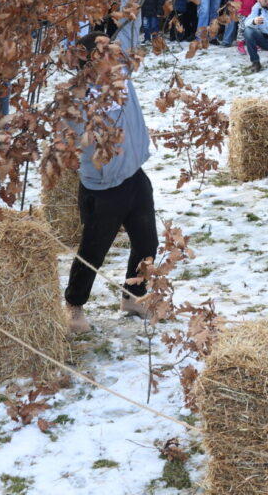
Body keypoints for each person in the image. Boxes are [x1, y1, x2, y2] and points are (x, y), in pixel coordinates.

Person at [62, 33, 160, 335]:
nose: (117, 54)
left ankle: (133, 297)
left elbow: (131, 27)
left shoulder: (121, 73)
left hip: (134, 176)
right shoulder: (78, 97)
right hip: (103, 189)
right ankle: (74, 306)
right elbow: (73, 141)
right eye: (109, 52)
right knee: (93, 252)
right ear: (94, 58)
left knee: (147, 243)